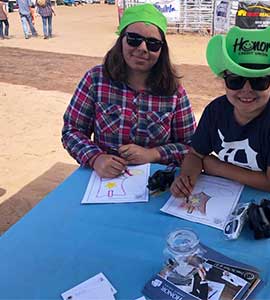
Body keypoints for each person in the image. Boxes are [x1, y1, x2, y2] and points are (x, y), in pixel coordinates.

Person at [171, 26, 270, 197]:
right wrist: (185, 179)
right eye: (235, 80)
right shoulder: (215, 111)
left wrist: (218, 167)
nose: (246, 89)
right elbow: (195, 154)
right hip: (236, 193)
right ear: (224, 80)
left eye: (259, 81)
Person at [61, 4, 196, 178]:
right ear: (121, 40)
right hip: (103, 181)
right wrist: (96, 158)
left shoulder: (174, 92)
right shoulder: (96, 79)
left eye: (153, 44)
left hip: (155, 183)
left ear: (162, 50)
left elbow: (191, 146)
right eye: (134, 39)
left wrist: (153, 154)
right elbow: (72, 131)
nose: (142, 48)